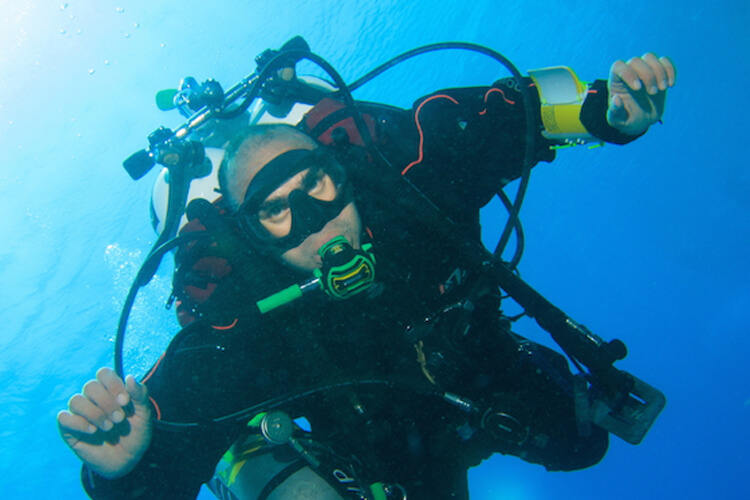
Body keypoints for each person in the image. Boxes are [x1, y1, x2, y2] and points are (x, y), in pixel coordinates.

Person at [58, 50, 676, 499]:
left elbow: (514, 111)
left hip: (480, 372)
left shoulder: (413, 182)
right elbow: (176, 417)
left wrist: (607, 111)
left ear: (344, 171)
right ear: (251, 234)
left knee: (582, 445)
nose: (313, 222)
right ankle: (257, 463)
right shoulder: (246, 319)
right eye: (276, 211)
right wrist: (126, 469)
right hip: (383, 450)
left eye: (317, 186)